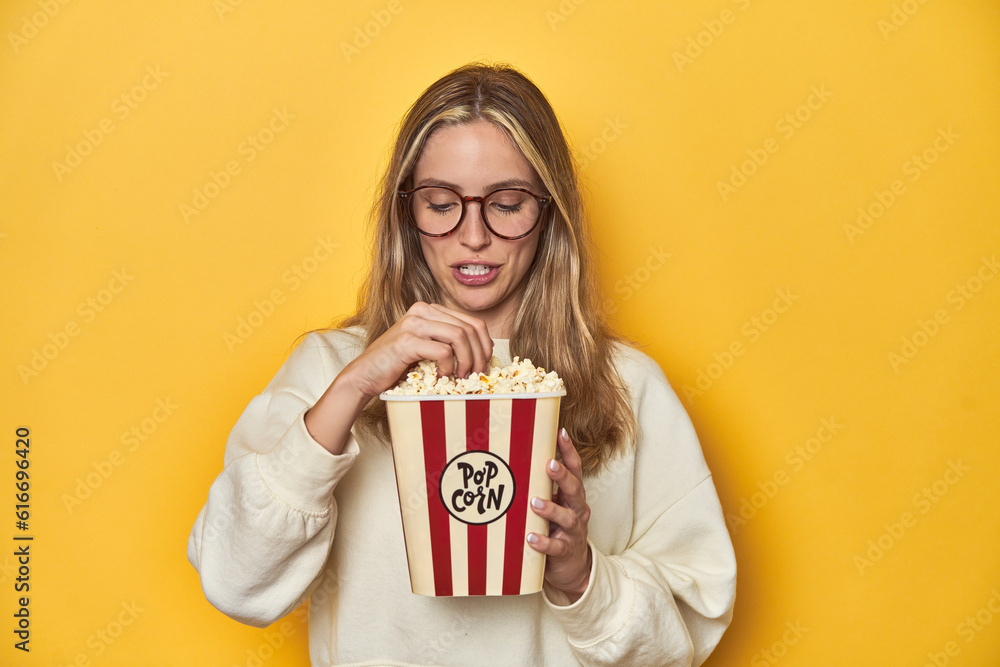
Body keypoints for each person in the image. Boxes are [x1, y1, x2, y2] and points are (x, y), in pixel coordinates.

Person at [187, 62, 736, 666]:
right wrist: (357, 384)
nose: (472, 235)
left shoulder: (627, 386)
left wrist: (582, 577)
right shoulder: (329, 371)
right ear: (407, 214)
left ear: (549, 212)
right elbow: (233, 581)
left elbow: (688, 633)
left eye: (506, 203)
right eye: (442, 203)